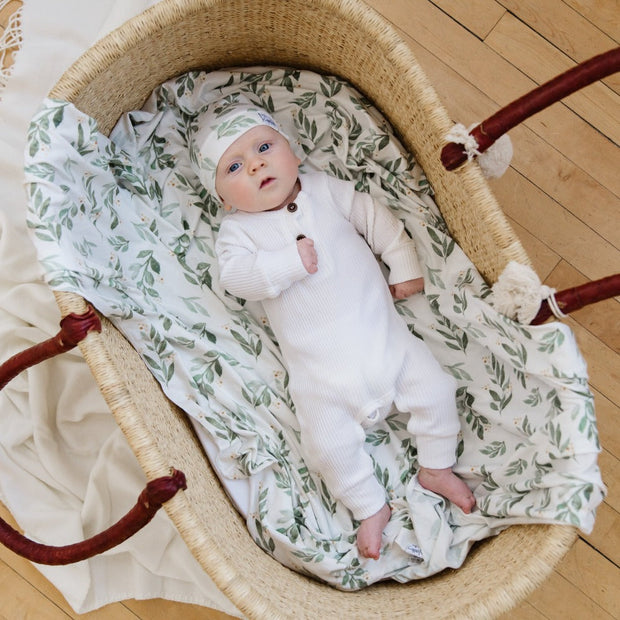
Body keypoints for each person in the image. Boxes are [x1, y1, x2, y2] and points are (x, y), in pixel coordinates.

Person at [191, 96, 475, 560]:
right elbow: (236, 280)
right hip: (321, 378)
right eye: (234, 166)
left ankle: (437, 467)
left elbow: (377, 221)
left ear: (293, 152)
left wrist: (403, 265)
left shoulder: (326, 190)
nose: (256, 164)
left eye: (264, 147)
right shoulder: (238, 234)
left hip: (387, 345)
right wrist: (287, 263)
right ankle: (369, 507)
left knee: (437, 389)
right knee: (326, 447)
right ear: (224, 200)